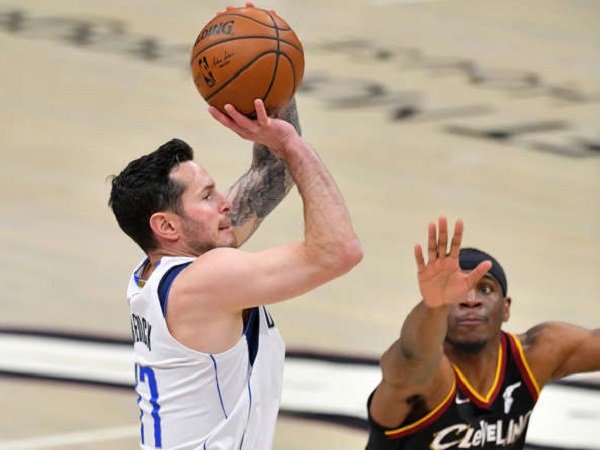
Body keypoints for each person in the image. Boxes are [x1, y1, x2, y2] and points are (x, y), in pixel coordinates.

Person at [108, 96, 362, 450]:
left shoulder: (159, 272)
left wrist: (274, 94)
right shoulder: (203, 281)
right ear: (166, 225)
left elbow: (273, 173)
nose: (225, 202)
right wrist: (290, 144)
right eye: (208, 196)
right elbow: (339, 251)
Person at [366, 216, 600, 450]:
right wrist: (433, 306)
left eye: (485, 288)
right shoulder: (424, 376)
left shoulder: (534, 356)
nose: (470, 300)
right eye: (456, 294)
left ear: (505, 307)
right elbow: (411, 355)